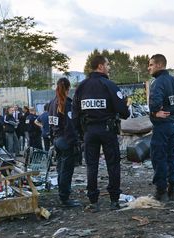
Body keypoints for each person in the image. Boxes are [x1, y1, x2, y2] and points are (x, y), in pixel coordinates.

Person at [72, 55, 130, 212]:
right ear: (100, 66)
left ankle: (93, 201)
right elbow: (124, 112)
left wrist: (80, 134)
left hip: (89, 132)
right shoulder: (109, 85)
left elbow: (75, 114)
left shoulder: (81, 87)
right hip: (107, 130)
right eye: (108, 64)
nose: (109, 67)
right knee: (113, 165)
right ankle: (114, 200)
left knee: (92, 166)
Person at [147, 54, 174, 202]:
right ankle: (173, 188)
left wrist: (155, 112)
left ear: (159, 65)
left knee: (158, 157)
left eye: (150, 65)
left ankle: (161, 191)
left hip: (162, 126)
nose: (149, 68)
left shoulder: (157, 83)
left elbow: (155, 103)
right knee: (171, 157)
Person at [49, 78, 82, 207]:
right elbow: (70, 125)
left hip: (57, 139)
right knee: (66, 171)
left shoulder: (52, 103)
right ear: (68, 89)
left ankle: (62, 194)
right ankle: (65, 198)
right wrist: (75, 142)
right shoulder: (66, 103)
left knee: (60, 169)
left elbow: (51, 124)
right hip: (65, 140)